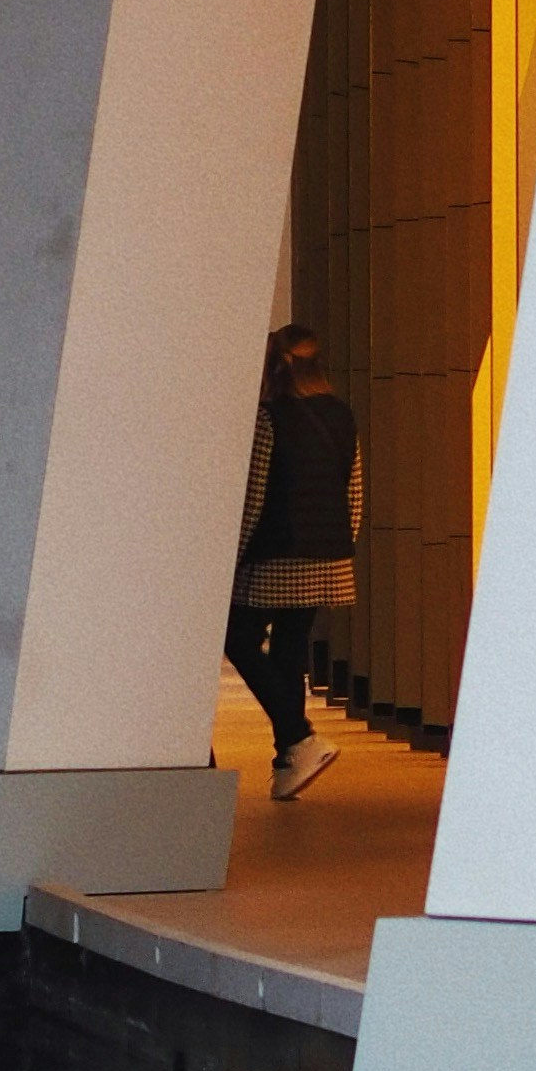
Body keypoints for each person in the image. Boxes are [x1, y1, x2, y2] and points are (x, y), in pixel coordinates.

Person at [226, 323, 360, 802]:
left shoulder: (270, 419)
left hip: (276, 555)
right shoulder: (342, 415)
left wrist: (232, 558)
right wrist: (337, 547)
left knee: (238, 639)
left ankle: (300, 736)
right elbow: (354, 493)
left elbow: (254, 497)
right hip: (327, 555)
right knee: (289, 649)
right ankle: (288, 760)